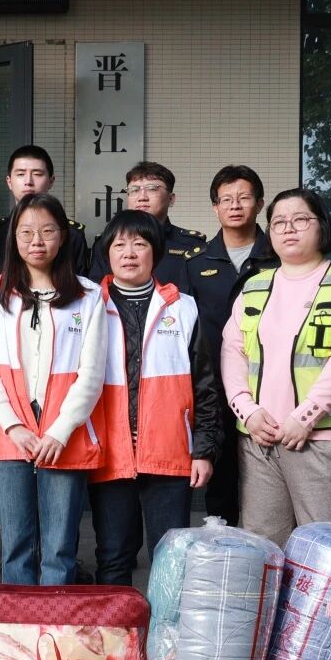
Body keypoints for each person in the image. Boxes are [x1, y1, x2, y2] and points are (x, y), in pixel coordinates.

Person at [221, 188, 331, 549]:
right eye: (279, 222)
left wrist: (306, 416)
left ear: (322, 226)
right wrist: (246, 410)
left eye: (300, 219)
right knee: (264, 546)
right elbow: (233, 352)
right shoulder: (254, 287)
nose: (288, 228)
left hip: (320, 439)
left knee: (325, 549)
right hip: (260, 438)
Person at [0, 194, 107, 585]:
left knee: (60, 549)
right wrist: (13, 425)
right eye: (27, 232)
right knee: (16, 545)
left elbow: (92, 373)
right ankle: (18, 623)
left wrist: (60, 431)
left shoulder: (88, 296)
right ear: (13, 238)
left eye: (47, 231)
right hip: (8, 431)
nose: (37, 241)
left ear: (62, 237)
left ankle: (54, 622)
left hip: (63, 434)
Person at [88, 210, 221, 586]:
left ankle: (165, 627)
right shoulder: (87, 305)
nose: (129, 253)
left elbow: (205, 385)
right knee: (113, 556)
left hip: (169, 452)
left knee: (171, 559)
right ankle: (117, 626)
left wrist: (204, 450)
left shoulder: (183, 307)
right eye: (119, 245)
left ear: (156, 252)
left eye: (139, 244)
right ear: (107, 253)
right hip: (108, 453)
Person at [187, 164, 278, 526]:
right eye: (226, 199)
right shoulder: (196, 263)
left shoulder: (279, 258)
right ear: (215, 207)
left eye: (243, 198)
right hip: (215, 386)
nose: (235, 206)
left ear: (259, 203)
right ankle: (223, 544)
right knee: (221, 478)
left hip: (269, 384)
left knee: (269, 475)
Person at [89, 161, 202, 291]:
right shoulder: (107, 241)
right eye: (134, 190)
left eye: (152, 188)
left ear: (171, 199)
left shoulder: (191, 244)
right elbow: (96, 292)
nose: (142, 197)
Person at [0, 145, 89, 279]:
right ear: (9, 182)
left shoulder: (71, 234)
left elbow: (80, 285)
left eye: (37, 174)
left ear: (51, 181)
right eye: (21, 174)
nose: (28, 182)